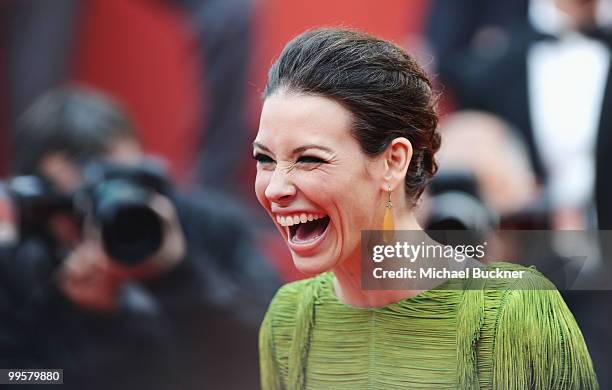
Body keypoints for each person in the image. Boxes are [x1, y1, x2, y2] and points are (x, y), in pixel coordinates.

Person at [254, 28, 598, 389]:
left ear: (393, 161)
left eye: (309, 159)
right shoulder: (289, 319)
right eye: (264, 159)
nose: (276, 188)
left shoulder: (511, 313)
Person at [0, 86, 281, 389]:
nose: (95, 226)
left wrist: (177, 276)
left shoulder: (209, 228)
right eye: (73, 207)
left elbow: (278, 355)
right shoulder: (18, 265)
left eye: (106, 196)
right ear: (34, 203)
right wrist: (95, 321)